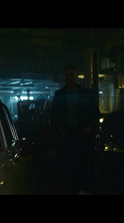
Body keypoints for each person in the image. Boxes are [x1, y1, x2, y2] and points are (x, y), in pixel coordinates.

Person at [50, 65, 100, 194]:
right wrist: (59, 129)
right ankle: (74, 189)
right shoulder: (61, 94)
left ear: (76, 76)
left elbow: (94, 113)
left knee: (81, 163)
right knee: (69, 163)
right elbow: (54, 115)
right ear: (65, 77)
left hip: (81, 133)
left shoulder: (84, 94)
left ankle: (79, 188)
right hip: (67, 133)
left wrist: (89, 127)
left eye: (72, 74)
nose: (70, 77)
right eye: (68, 75)